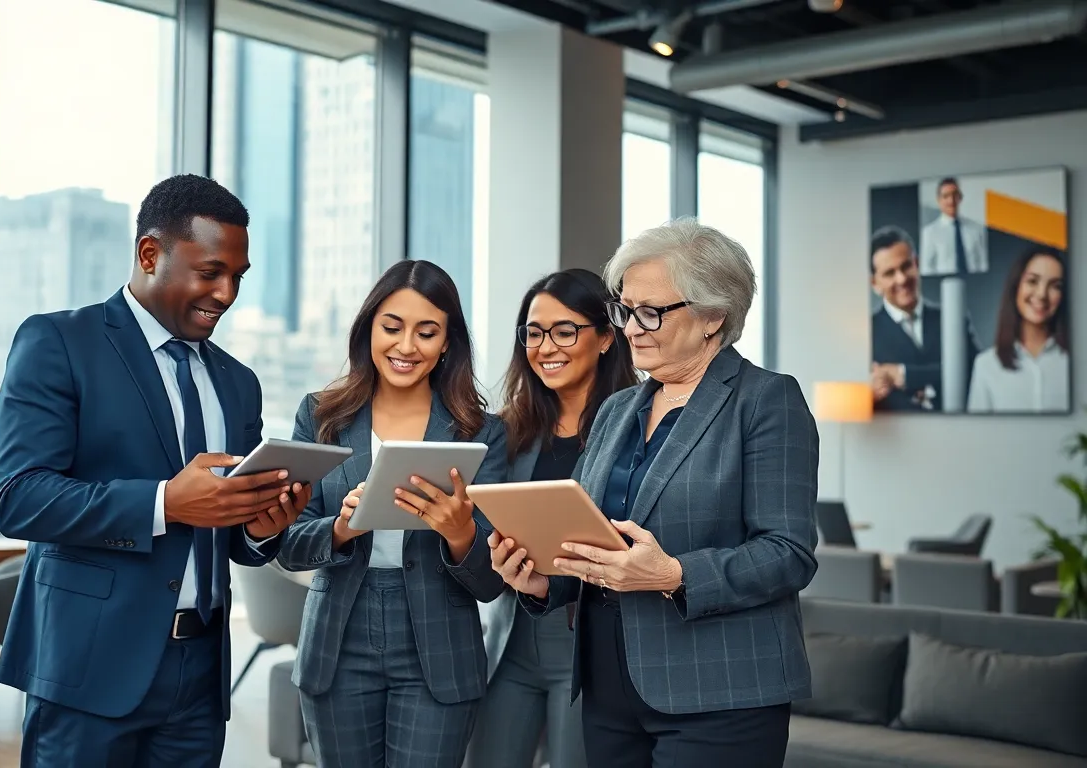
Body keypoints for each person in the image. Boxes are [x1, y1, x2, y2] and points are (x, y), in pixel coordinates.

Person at [0, 174, 309, 767]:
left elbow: (235, 539)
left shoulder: (238, 382)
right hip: (89, 664)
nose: (226, 293)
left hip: (200, 675)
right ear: (149, 254)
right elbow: (19, 497)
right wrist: (164, 503)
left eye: (238, 277)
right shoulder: (60, 342)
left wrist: (261, 526)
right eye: (210, 271)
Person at [489, 218, 820, 768]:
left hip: (720, 689)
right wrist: (544, 581)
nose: (631, 329)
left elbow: (788, 554)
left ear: (713, 316)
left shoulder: (766, 401)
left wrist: (674, 575)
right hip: (608, 686)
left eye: (650, 312)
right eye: (625, 311)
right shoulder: (618, 409)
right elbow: (596, 543)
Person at [275, 259, 508, 768]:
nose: (406, 346)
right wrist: (340, 528)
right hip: (338, 640)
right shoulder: (321, 416)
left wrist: (460, 533)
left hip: (439, 645)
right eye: (392, 327)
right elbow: (286, 545)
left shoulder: (480, 432)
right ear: (368, 330)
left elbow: (492, 581)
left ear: (447, 343)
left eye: (426, 332)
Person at [465, 268, 637, 768]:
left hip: (589, 647)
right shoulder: (509, 431)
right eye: (534, 333)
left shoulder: (635, 430)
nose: (546, 347)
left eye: (565, 331)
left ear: (606, 337)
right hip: (512, 639)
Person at [869, 225, 978, 411]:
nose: (902, 279)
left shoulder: (951, 319)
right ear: (874, 284)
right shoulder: (867, 333)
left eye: (906, 266)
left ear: (917, 264)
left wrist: (904, 374)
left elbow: (975, 372)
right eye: (889, 273)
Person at [968, 245, 1070, 412]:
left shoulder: (1078, 362)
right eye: (1032, 281)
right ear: (1016, 287)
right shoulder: (986, 365)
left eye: (1055, 286)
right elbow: (978, 428)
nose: (1042, 294)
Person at [919, 177, 988, 276]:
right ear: (939, 200)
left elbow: (982, 263)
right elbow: (926, 268)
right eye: (946, 196)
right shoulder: (929, 233)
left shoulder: (976, 229)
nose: (951, 201)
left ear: (960, 198)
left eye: (954, 195)